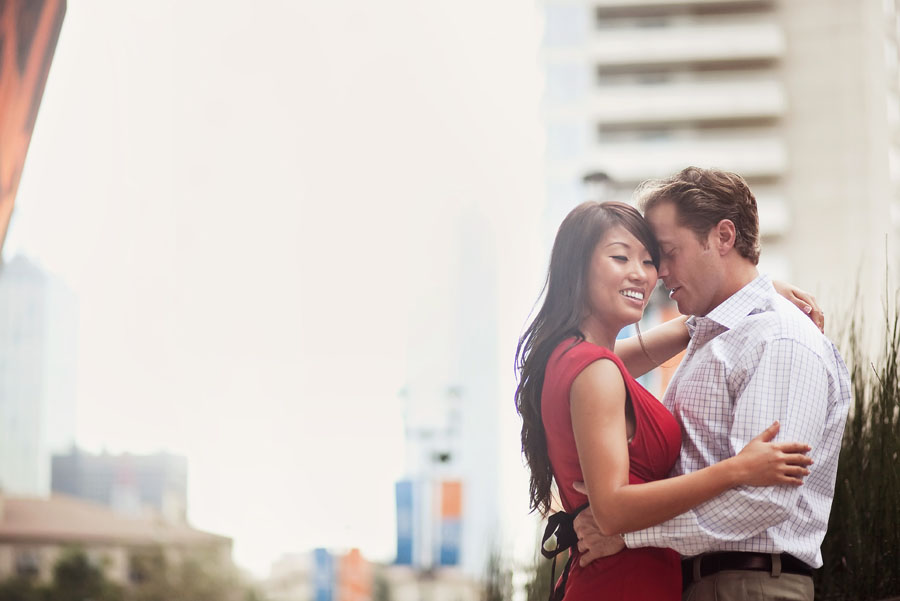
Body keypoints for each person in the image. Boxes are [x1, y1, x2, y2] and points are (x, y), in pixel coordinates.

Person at [573, 167, 852, 601]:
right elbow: (592, 365)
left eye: (667, 253)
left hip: (748, 585)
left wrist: (628, 533)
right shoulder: (715, 333)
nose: (658, 273)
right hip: (709, 582)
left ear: (723, 237)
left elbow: (762, 499)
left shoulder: (778, 339)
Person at [514, 200, 815, 601]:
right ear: (577, 267)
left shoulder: (578, 359)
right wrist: (736, 470)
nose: (642, 274)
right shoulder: (594, 371)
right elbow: (613, 510)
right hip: (623, 585)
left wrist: (749, 293)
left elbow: (677, 334)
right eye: (620, 258)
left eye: (649, 261)